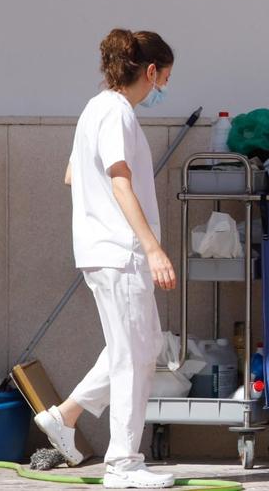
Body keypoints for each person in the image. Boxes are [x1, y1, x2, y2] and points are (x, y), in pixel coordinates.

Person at [33, 29, 178, 490]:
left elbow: (73, 175)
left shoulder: (94, 108)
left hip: (101, 249)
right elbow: (119, 182)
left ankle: (65, 415)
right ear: (149, 71)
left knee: (138, 346)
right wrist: (152, 246)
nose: (161, 91)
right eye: (163, 81)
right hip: (121, 252)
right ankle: (123, 464)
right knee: (134, 358)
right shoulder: (116, 113)